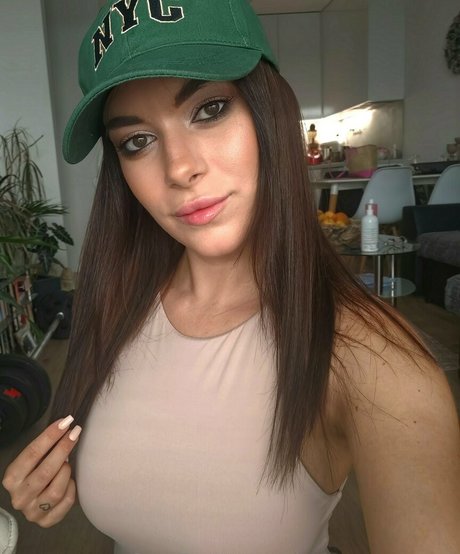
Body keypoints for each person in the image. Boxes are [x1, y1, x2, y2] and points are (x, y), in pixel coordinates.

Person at [2, 1, 460, 552]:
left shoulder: (378, 365)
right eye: (137, 141)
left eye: (210, 109)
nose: (179, 168)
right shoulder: (116, 306)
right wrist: (61, 483)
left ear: (269, 113)